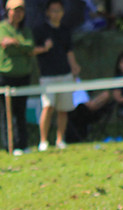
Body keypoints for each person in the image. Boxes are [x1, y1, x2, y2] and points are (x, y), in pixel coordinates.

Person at [0, 0, 50, 156]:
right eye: (14, 10)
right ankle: (10, 145)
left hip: (23, 76)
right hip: (5, 77)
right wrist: (22, 47)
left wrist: (17, 44)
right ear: (8, 11)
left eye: (21, 10)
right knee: (7, 112)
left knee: (20, 111)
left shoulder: (26, 30)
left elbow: (30, 46)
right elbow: (6, 43)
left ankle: (22, 144)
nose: (17, 13)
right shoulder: (1, 28)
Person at [35, 0, 81, 151]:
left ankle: (60, 140)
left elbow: (69, 51)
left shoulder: (65, 30)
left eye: (59, 10)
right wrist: (44, 48)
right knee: (48, 107)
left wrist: (74, 66)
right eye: (53, 10)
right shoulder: (40, 30)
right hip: (48, 76)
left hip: (65, 74)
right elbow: (32, 50)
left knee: (63, 109)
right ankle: (43, 141)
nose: (56, 13)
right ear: (47, 12)